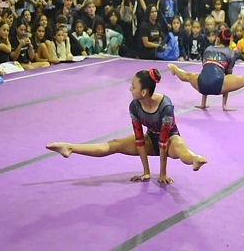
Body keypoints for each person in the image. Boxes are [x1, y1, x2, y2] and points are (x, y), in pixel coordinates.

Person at [46, 68, 207, 184]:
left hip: (170, 140)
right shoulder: (134, 106)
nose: (130, 89)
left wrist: (162, 174)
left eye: (133, 86)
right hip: (150, 139)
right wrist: (146, 172)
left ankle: (194, 159)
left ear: (143, 92)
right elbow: (139, 140)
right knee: (115, 144)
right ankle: (70, 147)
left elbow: (164, 143)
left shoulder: (166, 106)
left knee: (180, 147)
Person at [168, 28, 244, 111]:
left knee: (188, 76)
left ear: (218, 39)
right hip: (218, 85)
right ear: (229, 41)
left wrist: (203, 103)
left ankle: (175, 69)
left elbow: (206, 72)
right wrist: (224, 105)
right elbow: (227, 77)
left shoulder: (208, 49)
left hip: (201, 85)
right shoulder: (230, 53)